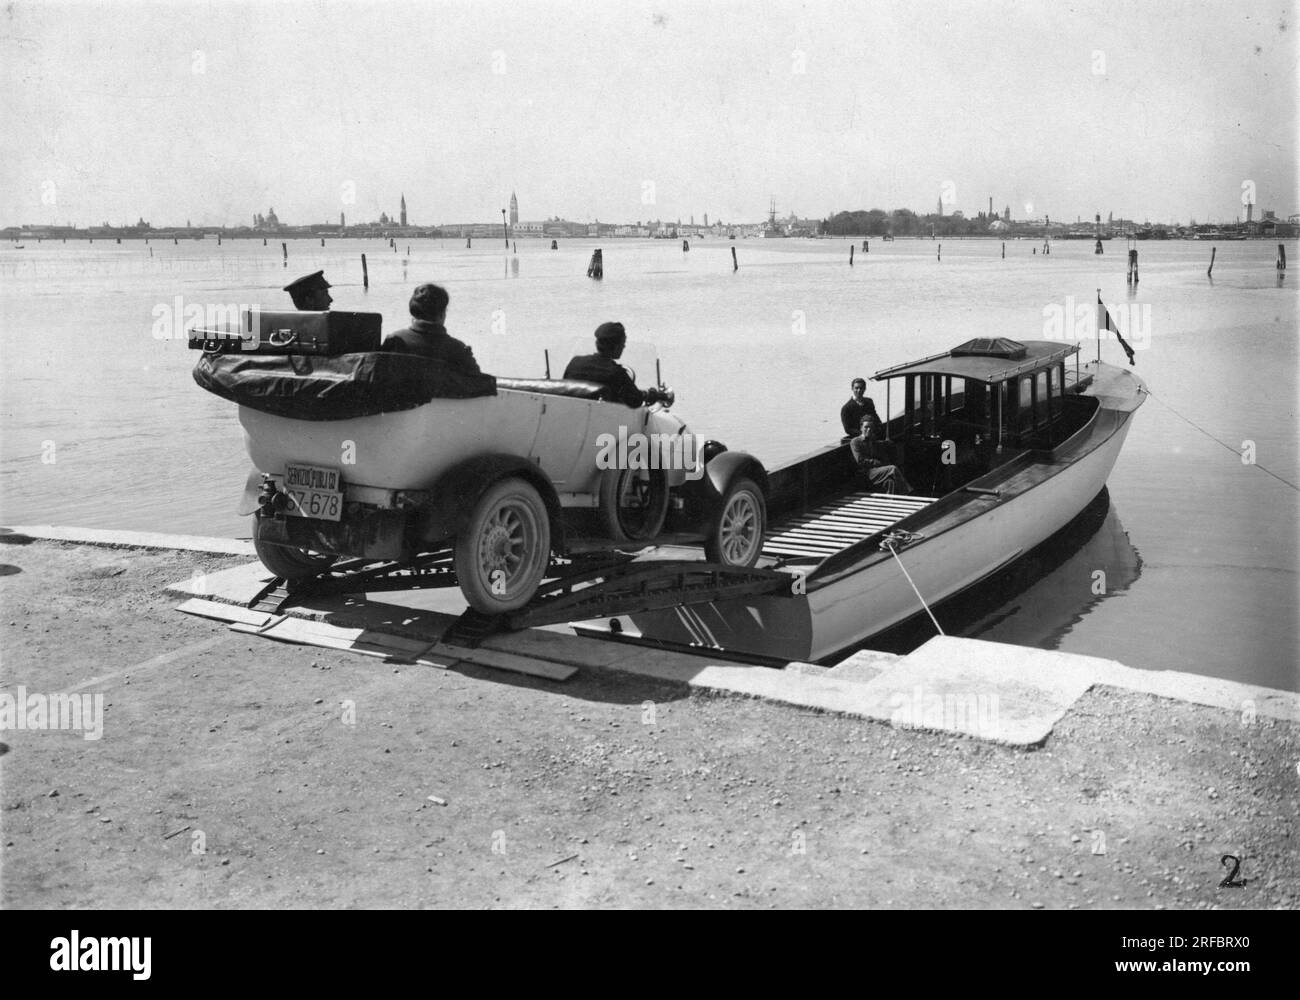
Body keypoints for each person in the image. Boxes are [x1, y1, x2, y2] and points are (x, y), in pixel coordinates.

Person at [380, 283, 481, 375]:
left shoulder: (394, 341)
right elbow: (479, 384)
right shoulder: (457, 349)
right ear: (442, 314)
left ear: (413, 311)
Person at [563, 321, 670, 407]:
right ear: (616, 346)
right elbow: (635, 400)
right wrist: (650, 395)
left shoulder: (575, 362)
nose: (624, 347)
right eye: (622, 343)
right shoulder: (615, 373)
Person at [850, 414, 913, 495]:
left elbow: (880, 453)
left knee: (890, 482)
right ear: (861, 428)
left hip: (876, 471)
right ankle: (907, 493)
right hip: (866, 472)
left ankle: (890, 501)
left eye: (871, 428)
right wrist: (875, 462)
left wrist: (887, 444)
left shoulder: (874, 440)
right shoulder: (855, 442)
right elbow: (860, 461)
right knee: (892, 469)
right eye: (866, 427)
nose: (868, 430)